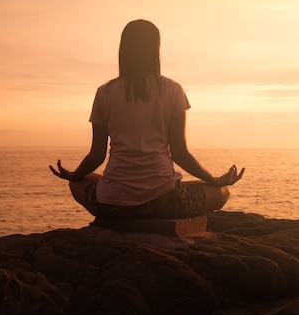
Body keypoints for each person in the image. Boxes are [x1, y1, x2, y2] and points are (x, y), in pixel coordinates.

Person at [50, 19, 244, 219]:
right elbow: (180, 153)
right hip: (164, 202)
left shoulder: (104, 92)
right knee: (222, 192)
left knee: (78, 183)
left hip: (112, 204)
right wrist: (214, 180)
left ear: (123, 50)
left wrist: (73, 175)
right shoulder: (172, 90)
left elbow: (97, 154)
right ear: (155, 49)